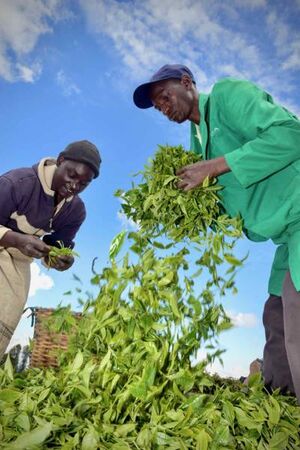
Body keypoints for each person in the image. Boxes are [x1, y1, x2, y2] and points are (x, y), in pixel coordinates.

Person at [133, 64, 300, 403]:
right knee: (275, 317)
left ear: (186, 83)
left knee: (296, 316)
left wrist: (215, 166)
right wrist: (179, 213)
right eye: (158, 106)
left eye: (165, 96)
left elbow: (290, 134)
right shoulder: (196, 145)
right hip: (284, 235)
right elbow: (217, 206)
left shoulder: (227, 96)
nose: (163, 107)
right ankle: (279, 411)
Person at [0, 140, 101, 359]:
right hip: (5, 242)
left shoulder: (75, 211)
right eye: (72, 175)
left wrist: (60, 260)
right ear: (61, 161)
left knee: (7, 312)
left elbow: (57, 247)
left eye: (83, 183)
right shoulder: (19, 183)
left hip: (19, 260)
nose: (74, 186)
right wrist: (17, 240)